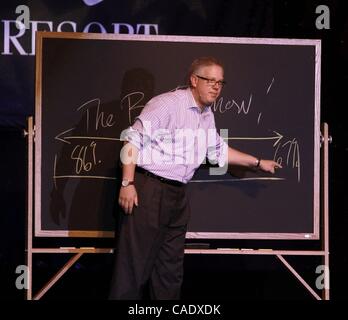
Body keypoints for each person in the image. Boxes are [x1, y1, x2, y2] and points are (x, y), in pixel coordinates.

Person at [109, 56, 282, 300]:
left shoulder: (206, 115)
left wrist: (257, 162)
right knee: (132, 270)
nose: (216, 87)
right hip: (148, 190)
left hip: (177, 195)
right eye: (210, 80)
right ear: (193, 80)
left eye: (220, 82)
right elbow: (131, 140)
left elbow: (218, 150)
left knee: (169, 273)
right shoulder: (168, 104)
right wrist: (128, 183)